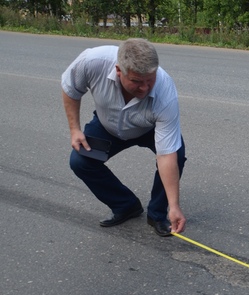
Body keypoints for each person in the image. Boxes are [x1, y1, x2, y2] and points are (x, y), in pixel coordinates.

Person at [61, 38, 187, 236]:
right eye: (137, 81)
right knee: (80, 161)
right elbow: (71, 89)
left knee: (176, 154)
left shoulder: (165, 92)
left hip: (149, 129)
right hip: (108, 125)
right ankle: (125, 205)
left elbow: (166, 155)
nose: (145, 88)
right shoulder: (92, 62)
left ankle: (157, 214)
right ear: (119, 70)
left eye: (150, 80)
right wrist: (74, 129)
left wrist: (174, 205)